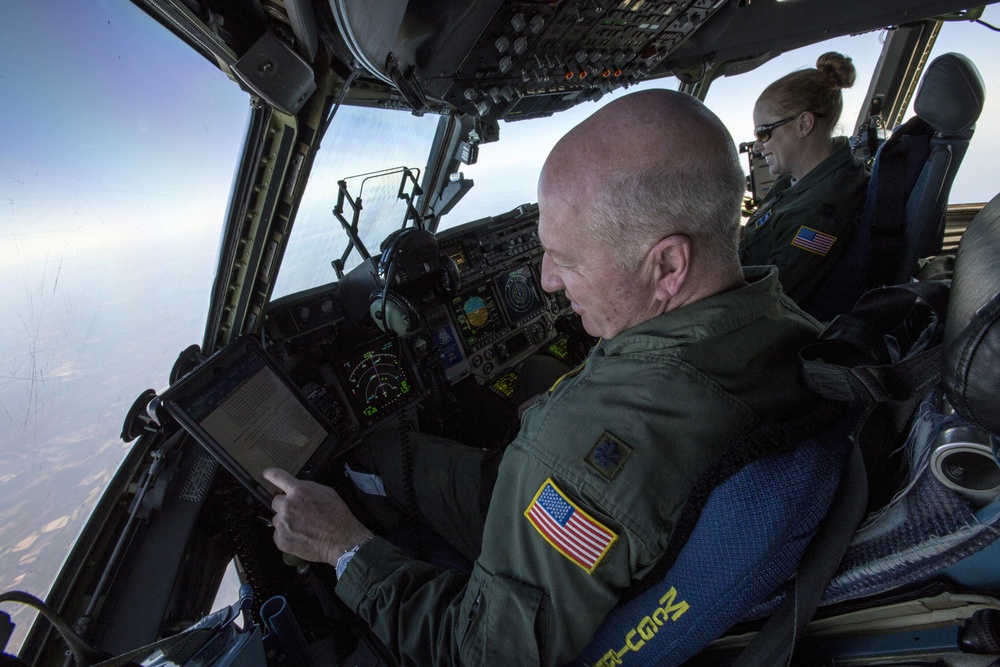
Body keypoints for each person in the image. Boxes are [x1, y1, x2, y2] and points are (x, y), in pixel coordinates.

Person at [264, 89, 825, 666]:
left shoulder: (570, 458)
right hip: (634, 515)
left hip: (557, 554)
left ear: (668, 266)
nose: (548, 281)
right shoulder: (788, 323)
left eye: (567, 259)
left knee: (375, 455)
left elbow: (481, 656)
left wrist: (343, 548)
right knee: (533, 375)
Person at [739, 52, 870, 320]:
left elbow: (774, 301)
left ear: (804, 124)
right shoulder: (795, 182)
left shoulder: (822, 208)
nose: (758, 146)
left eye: (764, 132)